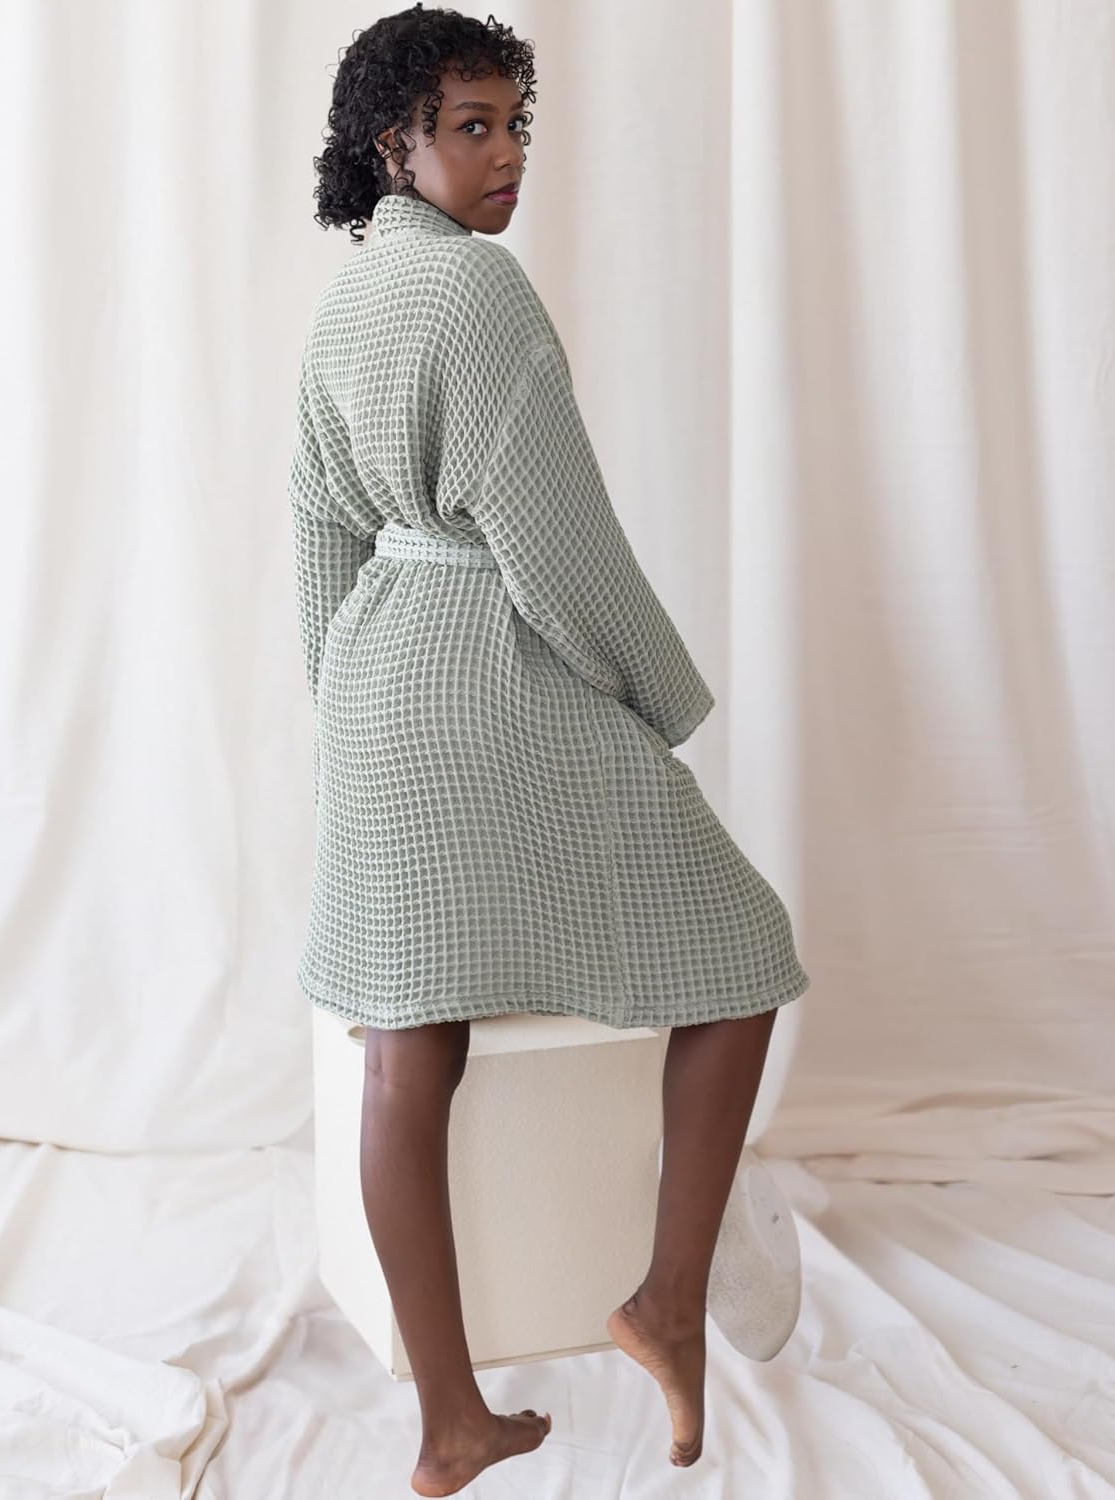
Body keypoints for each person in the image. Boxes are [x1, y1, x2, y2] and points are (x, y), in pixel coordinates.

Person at [290, 6, 812, 1494]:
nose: (508, 153)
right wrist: (661, 697)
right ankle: (668, 1300)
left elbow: (317, 535)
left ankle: (450, 1419)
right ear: (393, 142)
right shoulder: (480, 295)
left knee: (413, 1038)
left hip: (382, 679)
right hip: (489, 672)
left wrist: (345, 716)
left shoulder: (345, 305)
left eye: (517, 124)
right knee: (744, 949)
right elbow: (560, 550)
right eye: (472, 126)